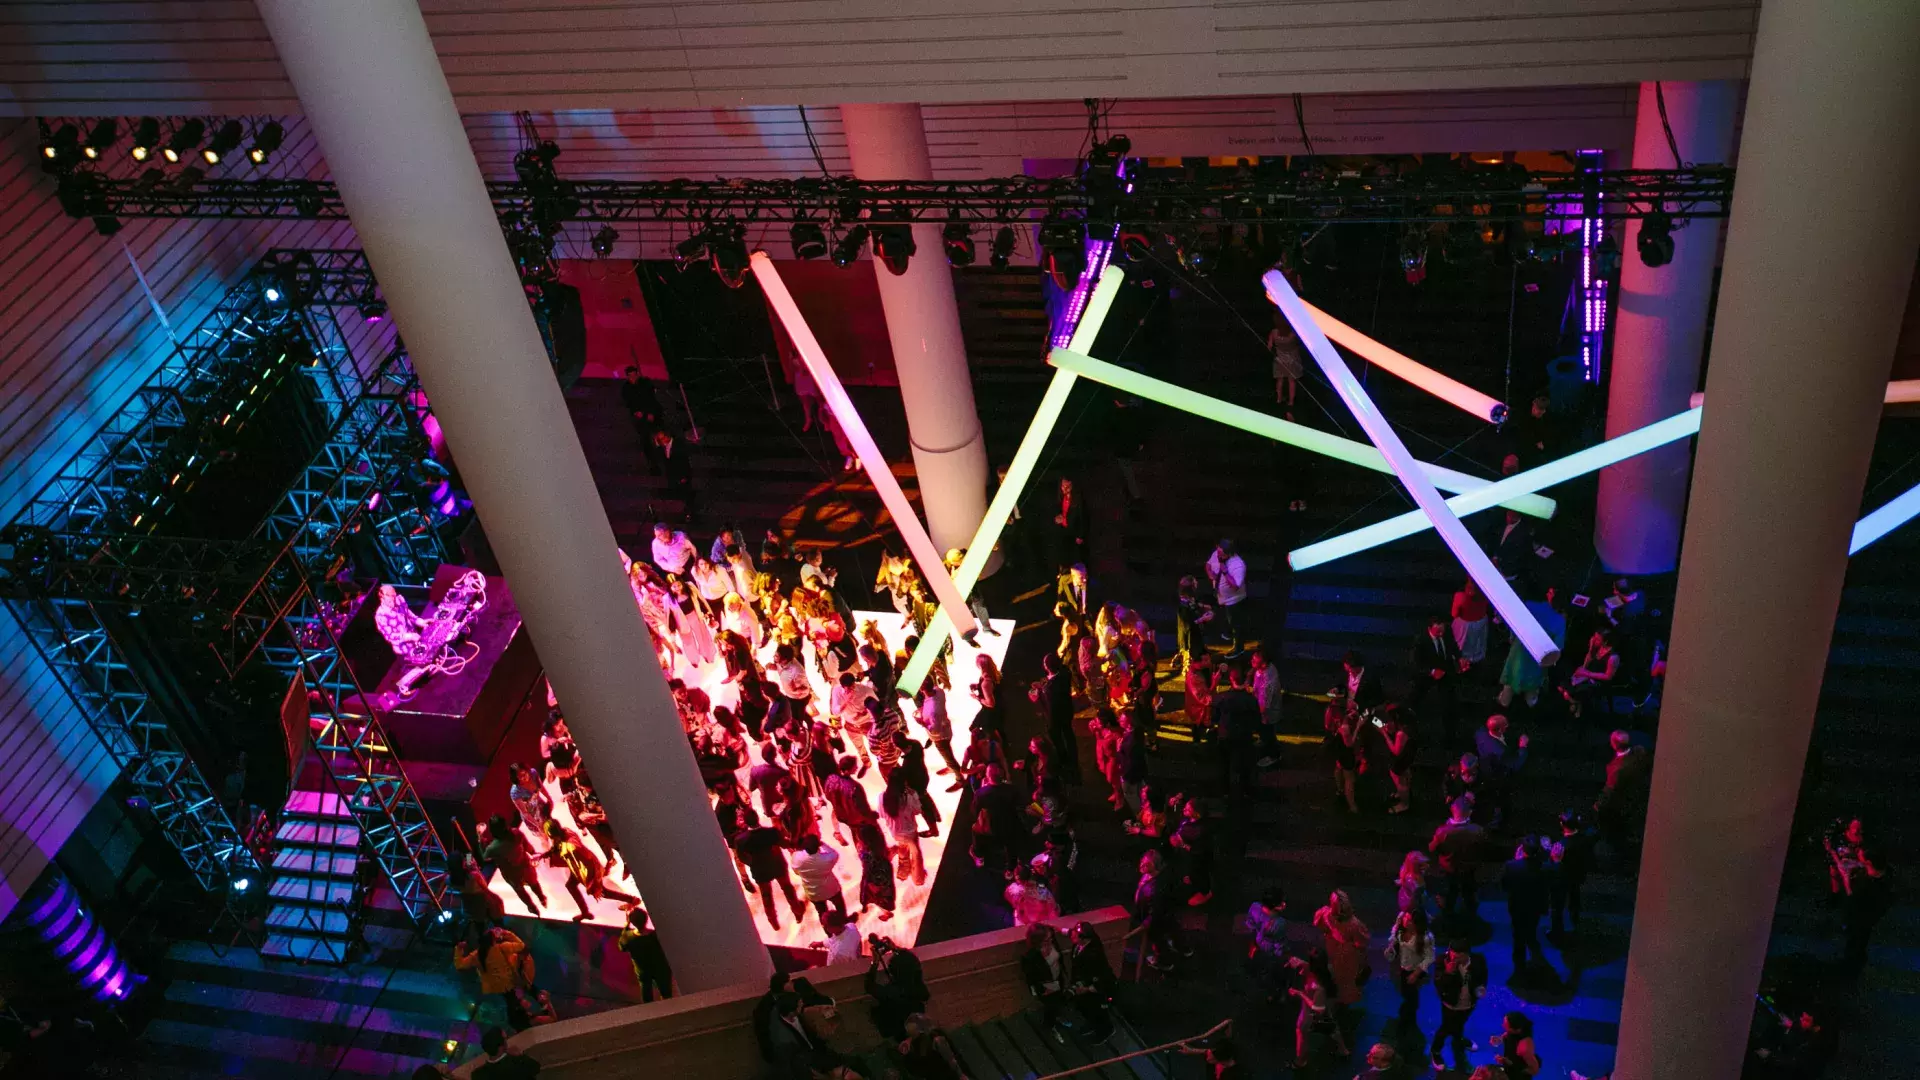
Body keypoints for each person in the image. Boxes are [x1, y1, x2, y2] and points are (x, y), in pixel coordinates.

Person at [1826, 816, 1891, 974]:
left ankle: (1851, 967)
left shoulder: (1867, 885)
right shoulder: (1880, 878)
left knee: (1856, 939)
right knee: (1860, 939)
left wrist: (1846, 879)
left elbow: (1851, 896)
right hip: (1869, 917)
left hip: (1862, 918)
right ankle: (1856, 959)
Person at [545, 819, 641, 919]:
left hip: (586, 871)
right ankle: (585, 912)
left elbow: (588, 863)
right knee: (571, 885)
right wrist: (545, 855)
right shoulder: (564, 832)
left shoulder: (572, 847)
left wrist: (593, 883)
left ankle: (633, 900)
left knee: (602, 892)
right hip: (577, 868)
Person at [455, 926, 536, 1031]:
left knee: (512, 1002)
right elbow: (521, 945)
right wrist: (507, 933)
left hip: (495, 987)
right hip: (509, 982)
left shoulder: (477, 955)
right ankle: (522, 1023)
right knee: (514, 1002)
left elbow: (460, 965)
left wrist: (458, 949)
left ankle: (518, 1023)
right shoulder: (501, 947)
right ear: (493, 939)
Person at [733, 822, 806, 931]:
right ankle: (798, 912)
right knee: (787, 889)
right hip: (777, 865)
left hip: (760, 871)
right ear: (757, 819)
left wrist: (753, 863)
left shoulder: (741, 839)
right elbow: (785, 844)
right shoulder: (772, 832)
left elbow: (742, 858)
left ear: (747, 823)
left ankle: (773, 922)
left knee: (766, 896)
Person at [1209, 663, 1261, 812]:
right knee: (1245, 766)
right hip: (1244, 737)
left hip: (1225, 737)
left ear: (1231, 680)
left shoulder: (1222, 698)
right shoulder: (1251, 700)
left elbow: (1214, 717)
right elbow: (1257, 720)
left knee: (1224, 766)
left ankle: (1225, 792)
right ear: (1246, 681)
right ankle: (1245, 792)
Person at [1429, 941, 1487, 1074]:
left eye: (1457, 957)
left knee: (1460, 1023)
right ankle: (1435, 1051)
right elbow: (1439, 985)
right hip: (1451, 1004)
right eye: (1451, 955)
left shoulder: (1478, 960)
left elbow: (1483, 976)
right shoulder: (1442, 961)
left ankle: (1459, 1040)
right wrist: (1448, 973)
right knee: (1446, 1027)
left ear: (1466, 955)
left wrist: (1482, 988)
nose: (1453, 959)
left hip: (1469, 1003)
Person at [1409, 613, 1465, 746]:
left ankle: (1449, 735)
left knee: (1448, 702)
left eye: (1442, 630)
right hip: (1428, 673)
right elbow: (1415, 663)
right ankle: (1411, 724)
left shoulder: (1446, 631)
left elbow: (1453, 645)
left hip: (1445, 670)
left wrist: (1459, 658)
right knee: (1415, 698)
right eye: (1437, 631)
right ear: (1430, 628)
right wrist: (1432, 671)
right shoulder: (1420, 640)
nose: (1441, 633)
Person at [1596, 730, 1653, 859]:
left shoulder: (1615, 768)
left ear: (1613, 745)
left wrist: (1598, 805)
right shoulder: (1640, 752)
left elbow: (1609, 791)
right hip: (1642, 793)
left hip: (1627, 802)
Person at [1429, 799, 1486, 926]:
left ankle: (1448, 913)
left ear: (1452, 811)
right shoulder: (1478, 830)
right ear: (1469, 813)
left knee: (1451, 891)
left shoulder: (1442, 831)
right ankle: (1470, 915)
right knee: (1468, 890)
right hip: (1469, 868)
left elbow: (1432, 848)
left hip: (1449, 868)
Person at [1286, 952, 1349, 1067]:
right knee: (1331, 1027)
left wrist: (1300, 994)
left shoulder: (1318, 986)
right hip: (1328, 1005)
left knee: (1301, 1032)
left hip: (1312, 1013)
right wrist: (1301, 962)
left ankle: (1300, 1061)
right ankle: (1343, 1050)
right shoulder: (1327, 969)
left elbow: (1317, 1009)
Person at [481, 814, 550, 916]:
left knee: (520, 891)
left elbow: (484, 857)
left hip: (511, 874)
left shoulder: (492, 848)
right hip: (525, 866)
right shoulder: (516, 833)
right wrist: (533, 853)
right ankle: (542, 898)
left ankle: (532, 908)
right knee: (534, 883)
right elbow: (526, 845)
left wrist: (480, 841)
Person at [1312, 889, 1370, 1007]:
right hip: (1338, 952)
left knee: (1343, 977)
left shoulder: (1353, 924)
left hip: (1346, 956)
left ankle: (1341, 1001)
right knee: (1338, 976)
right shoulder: (1328, 915)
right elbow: (1362, 943)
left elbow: (1361, 943)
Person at [1503, 837, 1551, 977]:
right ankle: (1531, 943)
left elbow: (1505, 886)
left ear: (1521, 850)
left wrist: (1517, 861)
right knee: (1531, 928)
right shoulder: (1544, 868)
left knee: (1517, 934)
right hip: (1534, 907)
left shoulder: (1511, 866)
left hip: (1517, 906)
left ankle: (1519, 965)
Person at [866, 936, 930, 1041]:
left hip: (900, 1035)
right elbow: (913, 964)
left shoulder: (891, 992)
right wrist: (896, 948)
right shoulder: (918, 985)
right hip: (918, 1029)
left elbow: (870, 986)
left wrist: (875, 962)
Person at [1131, 850, 1185, 971]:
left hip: (1156, 919)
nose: (1141, 866)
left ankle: (1164, 963)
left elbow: (1157, 910)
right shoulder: (1152, 875)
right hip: (1162, 914)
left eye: (1146, 865)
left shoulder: (1157, 888)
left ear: (1155, 866)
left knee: (1157, 939)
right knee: (1171, 931)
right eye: (1142, 862)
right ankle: (1181, 948)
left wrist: (1147, 922)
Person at [1384, 908, 1435, 1032]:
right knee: (1406, 992)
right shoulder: (1400, 930)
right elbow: (1393, 941)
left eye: (1410, 920)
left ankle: (1407, 1020)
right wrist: (1390, 950)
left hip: (1414, 969)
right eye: (1406, 918)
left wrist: (1416, 974)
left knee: (1411, 998)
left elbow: (1430, 957)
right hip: (1401, 967)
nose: (1406, 921)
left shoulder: (1425, 938)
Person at [1549, 810, 1598, 938]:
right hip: (1578, 875)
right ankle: (1575, 920)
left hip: (1563, 879)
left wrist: (1554, 858)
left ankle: (1556, 932)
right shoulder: (1587, 839)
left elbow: (1555, 866)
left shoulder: (1561, 845)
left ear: (1562, 824)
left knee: (1557, 905)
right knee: (1575, 897)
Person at [1473, 715, 1529, 827]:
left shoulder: (1480, 732)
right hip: (1498, 777)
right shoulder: (1501, 751)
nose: (1508, 726)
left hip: (1486, 768)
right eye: (1505, 725)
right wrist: (1523, 747)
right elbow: (1515, 765)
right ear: (1499, 730)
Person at [1020, 922, 1073, 1038]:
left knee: (1060, 1000)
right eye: (1046, 940)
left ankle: (1057, 1017)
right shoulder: (1030, 957)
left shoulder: (1052, 942)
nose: (1050, 941)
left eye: (1050, 938)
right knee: (1051, 1006)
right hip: (1046, 986)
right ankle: (1050, 1026)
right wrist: (1039, 991)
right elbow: (1031, 978)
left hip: (1058, 979)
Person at [881, 768, 928, 887]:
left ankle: (902, 872)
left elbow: (882, 814)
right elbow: (917, 811)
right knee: (916, 855)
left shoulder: (882, 797)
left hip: (895, 832)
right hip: (910, 832)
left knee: (902, 846)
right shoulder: (910, 795)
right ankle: (918, 879)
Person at [617, 909, 673, 1002]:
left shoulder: (628, 937)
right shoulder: (655, 936)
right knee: (666, 994)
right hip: (660, 968)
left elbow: (621, 947)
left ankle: (649, 1011)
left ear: (631, 922)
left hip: (643, 971)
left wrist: (626, 926)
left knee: (646, 994)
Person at [1565, 629, 1621, 720]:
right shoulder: (1597, 648)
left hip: (1599, 681)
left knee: (1575, 690)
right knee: (1565, 682)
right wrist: (1591, 648)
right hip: (1589, 675)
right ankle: (1577, 703)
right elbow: (1586, 665)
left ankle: (1578, 704)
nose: (1594, 640)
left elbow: (1608, 677)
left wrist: (1587, 674)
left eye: (1597, 639)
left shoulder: (1613, 657)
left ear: (1605, 641)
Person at [1205, 538, 1248, 655]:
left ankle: (1239, 648)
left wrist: (1225, 572)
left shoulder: (1238, 565)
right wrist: (1211, 575)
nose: (1217, 554)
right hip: (1221, 597)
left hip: (1233, 600)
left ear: (1228, 553)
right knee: (1226, 618)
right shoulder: (1217, 554)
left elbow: (1235, 586)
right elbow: (1208, 565)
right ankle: (1228, 633)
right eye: (1217, 551)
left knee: (1236, 623)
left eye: (1221, 553)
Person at [792, 835, 849, 923]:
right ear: (818, 845)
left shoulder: (796, 858)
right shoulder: (827, 858)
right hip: (831, 889)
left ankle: (828, 932)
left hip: (813, 893)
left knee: (822, 913)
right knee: (840, 907)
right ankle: (844, 922)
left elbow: (796, 872)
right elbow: (835, 853)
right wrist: (823, 844)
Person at [1169, 798, 1214, 907]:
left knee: (1199, 873)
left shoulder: (1201, 829)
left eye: (1188, 809)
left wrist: (1182, 844)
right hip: (1185, 856)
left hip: (1197, 858)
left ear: (1196, 813)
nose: (1184, 809)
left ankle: (1205, 893)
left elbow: (1198, 850)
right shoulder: (1187, 820)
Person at [899, 1013, 969, 1080]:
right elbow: (918, 1071)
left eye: (912, 1033)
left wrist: (961, 1075)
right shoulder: (915, 1046)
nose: (910, 1037)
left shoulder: (936, 1039)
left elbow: (951, 1060)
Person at [1249, 647, 1284, 768]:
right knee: (1264, 731)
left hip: (1267, 712)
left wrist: (1262, 717)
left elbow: (1265, 705)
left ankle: (1274, 756)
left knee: (1268, 732)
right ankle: (1263, 739)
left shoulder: (1268, 682)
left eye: (1255, 660)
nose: (1252, 661)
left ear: (1263, 663)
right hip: (1262, 705)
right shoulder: (1266, 667)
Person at [1379, 706, 1415, 814]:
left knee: (1400, 781)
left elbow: (1395, 751)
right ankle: (1404, 793)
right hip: (1409, 754)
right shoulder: (1407, 726)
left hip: (1401, 759)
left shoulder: (1401, 733)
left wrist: (1384, 734)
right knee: (1405, 776)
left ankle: (1404, 804)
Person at [1268, 309, 1304, 415]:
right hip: (1292, 360)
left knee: (1280, 380)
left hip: (1280, 359)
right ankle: (1291, 402)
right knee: (1291, 381)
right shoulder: (1293, 333)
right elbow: (1299, 344)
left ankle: (1279, 399)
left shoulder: (1274, 333)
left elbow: (1269, 346)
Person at [1048, 477, 1089, 570]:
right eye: (1063, 486)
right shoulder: (1062, 497)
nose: (1064, 489)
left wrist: (1080, 535)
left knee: (1077, 560)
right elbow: (1061, 512)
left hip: (1075, 533)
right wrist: (1058, 518)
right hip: (1065, 532)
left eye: (1067, 486)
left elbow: (1082, 518)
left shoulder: (1078, 499)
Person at [472, 1026, 541, 1080]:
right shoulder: (516, 1063)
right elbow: (536, 1068)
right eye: (506, 1038)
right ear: (501, 1046)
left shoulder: (477, 1075)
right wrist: (520, 1056)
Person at [1450, 578, 1491, 666]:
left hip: (1466, 624)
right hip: (1479, 622)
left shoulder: (1460, 596)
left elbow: (1454, 614)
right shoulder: (1486, 592)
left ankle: (1463, 661)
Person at [1489, 1010, 1541, 1077]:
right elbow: (1507, 1035)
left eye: (1506, 1026)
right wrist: (1500, 1039)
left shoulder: (1524, 1047)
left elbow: (1534, 1070)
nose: (1503, 1026)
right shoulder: (1514, 1031)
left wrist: (1511, 1064)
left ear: (1517, 1030)